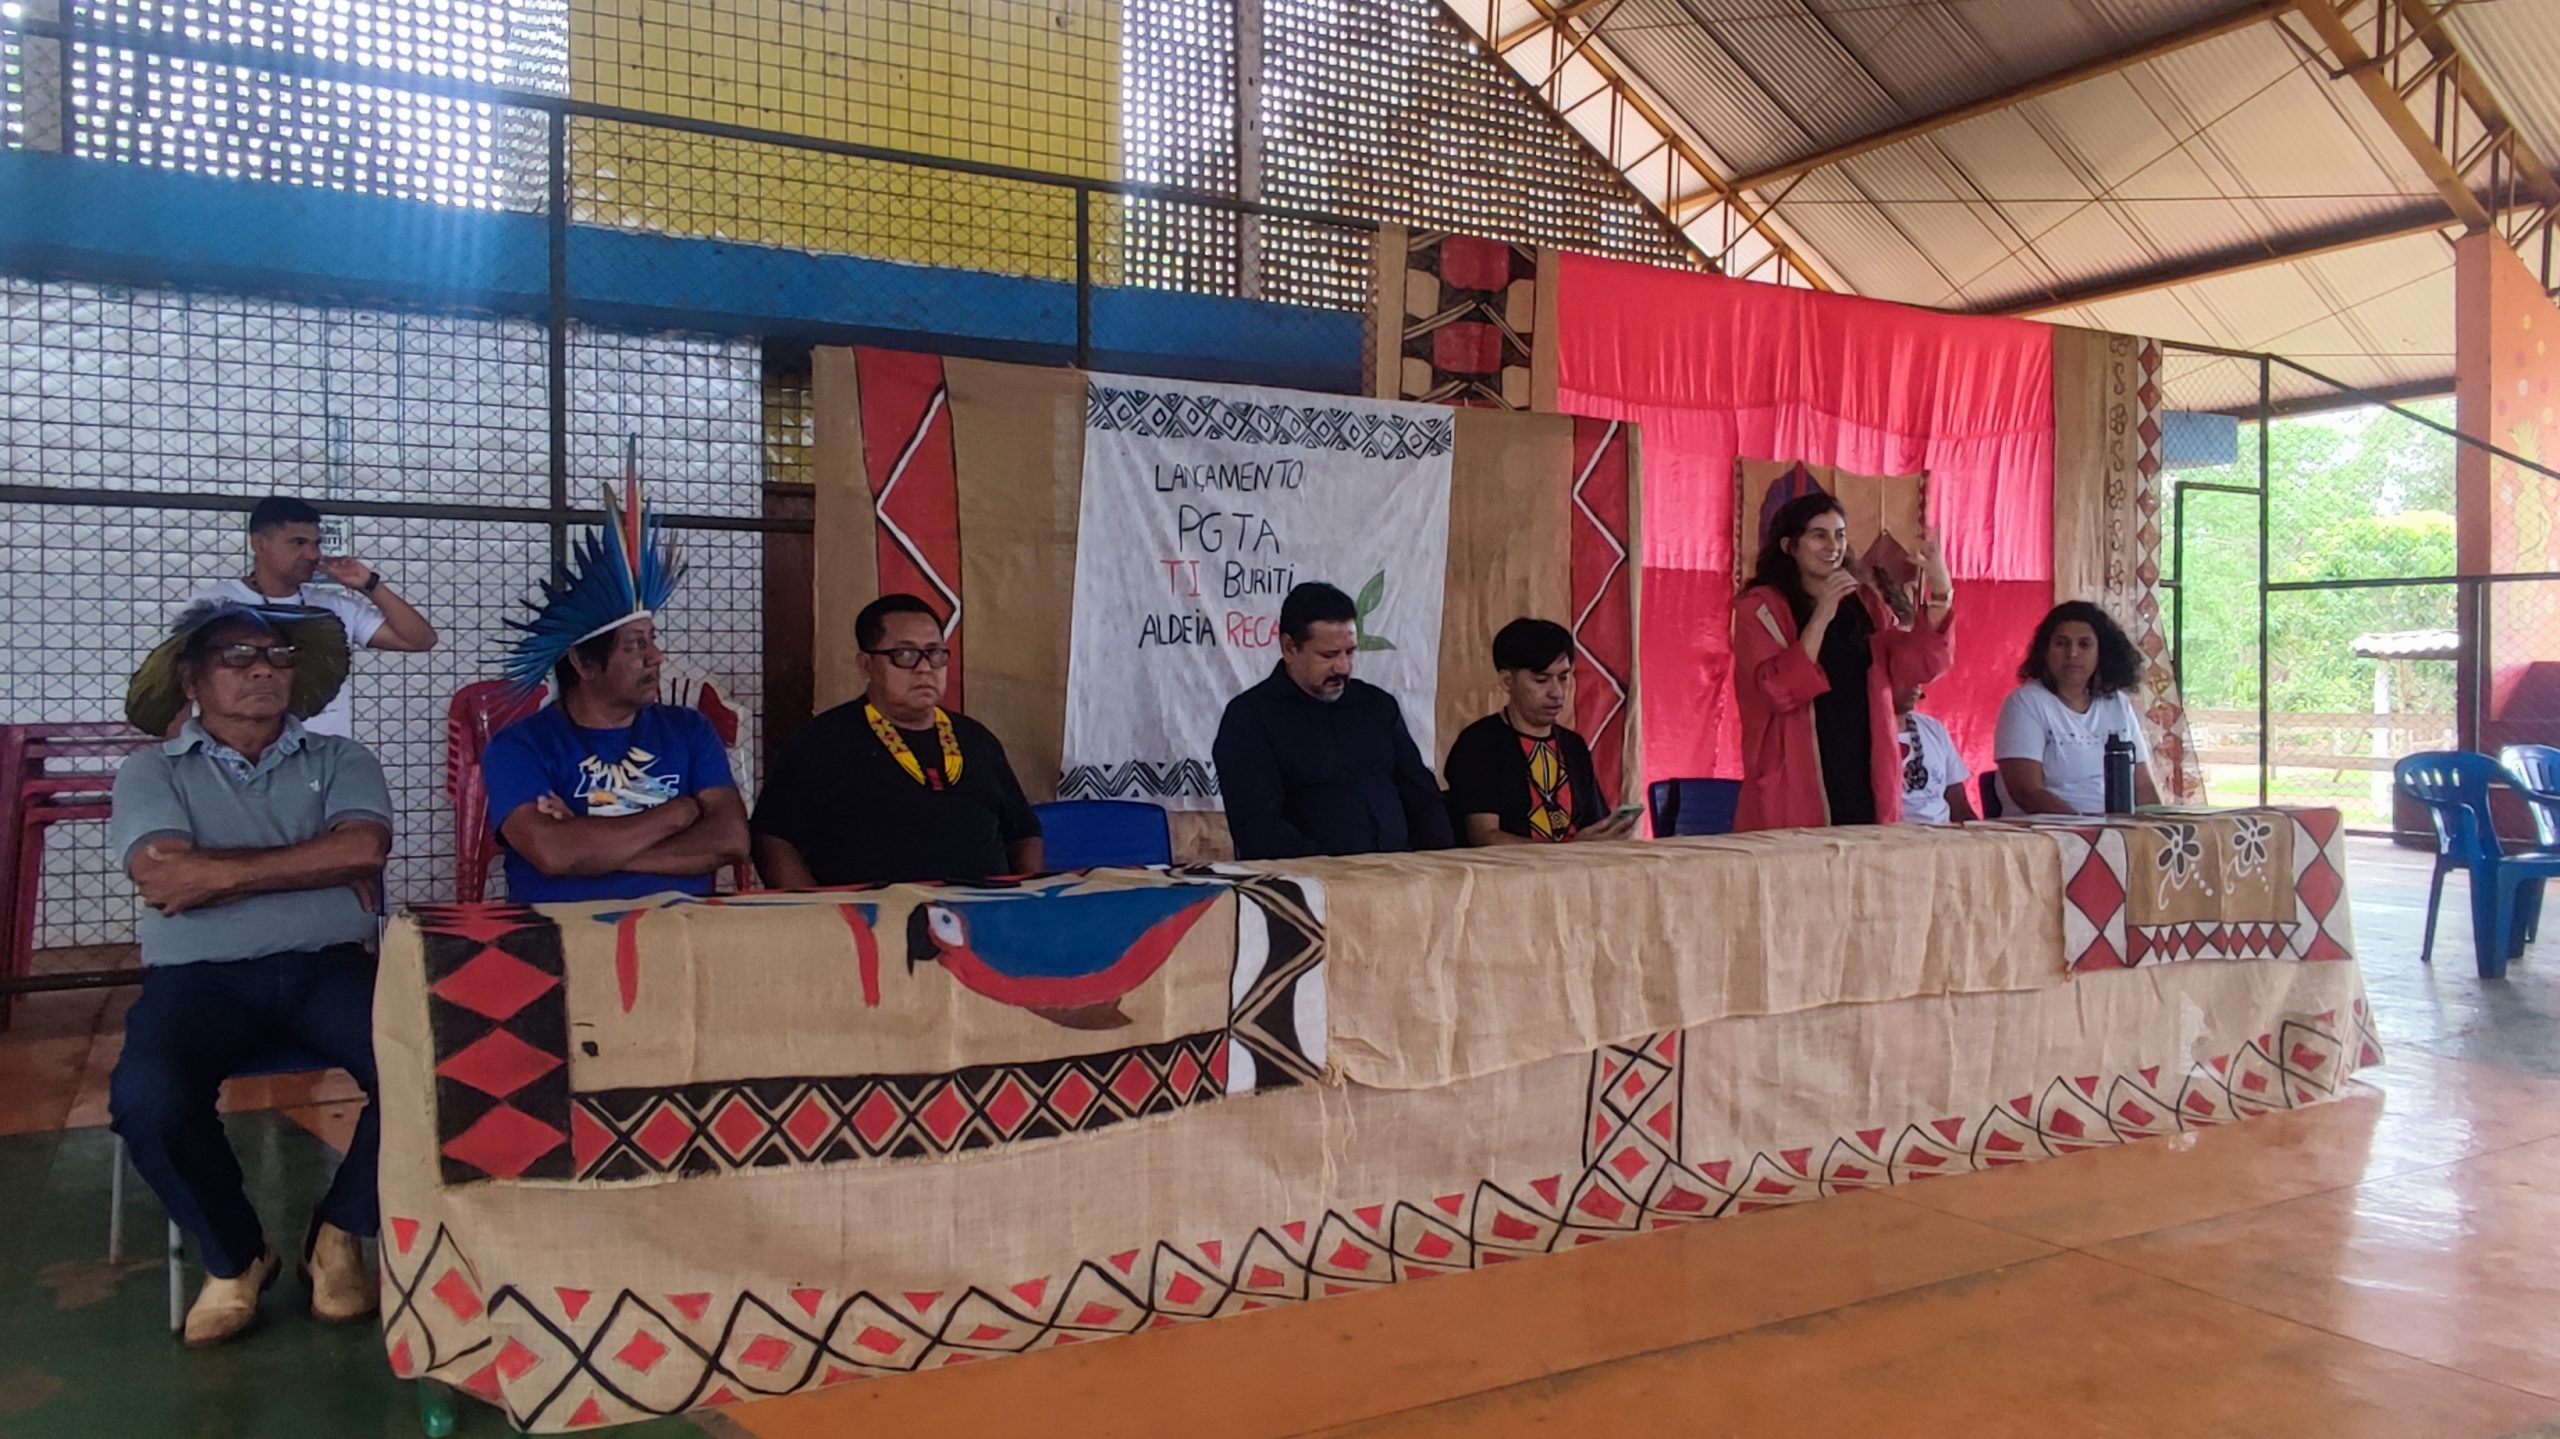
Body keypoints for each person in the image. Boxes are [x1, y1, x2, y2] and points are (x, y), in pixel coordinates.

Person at [107, 600, 391, 1347]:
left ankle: (340, 1232)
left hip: (330, 968)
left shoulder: (341, 759)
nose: (262, 669)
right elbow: (163, 877)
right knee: (148, 1097)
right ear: (191, 680)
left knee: (432, 1067)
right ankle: (236, 1256)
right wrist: (314, 865)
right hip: (199, 979)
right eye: (237, 656)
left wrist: (215, 873)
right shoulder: (149, 772)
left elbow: (363, 850)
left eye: (276, 656)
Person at [482, 472, 747, 902]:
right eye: (636, 645)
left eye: (653, 639)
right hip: (567, 929)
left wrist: (591, 847)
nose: (656, 656)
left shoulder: (690, 729)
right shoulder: (520, 746)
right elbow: (552, 852)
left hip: (681, 925)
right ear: (584, 663)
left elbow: (731, 839)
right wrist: (679, 812)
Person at [751, 594, 1042, 886]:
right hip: (877, 912)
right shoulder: (822, 742)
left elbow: (1024, 833)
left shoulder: (977, 739)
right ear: (866, 665)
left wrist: (1024, 895)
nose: (925, 668)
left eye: (935, 653)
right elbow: (773, 840)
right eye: (905, 655)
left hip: (986, 907)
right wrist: (820, 909)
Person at [1732, 491, 1954, 831]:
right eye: (1819, 535)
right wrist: (1822, 613)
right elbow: (1776, 689)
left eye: (1840, 535)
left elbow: (1915, 665)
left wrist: (1940, 591)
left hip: (1865, 765)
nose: (1833, 546)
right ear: (1789, 545)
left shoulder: (1865, 602)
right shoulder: (1761, 607)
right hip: (1796, 775)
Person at [1213, 581, 1453, 860]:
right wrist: (1335, 872)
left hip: (1399, 875)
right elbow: (1258, 828)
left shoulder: (1377, 707)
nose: (1343, 667)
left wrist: (1437, 865)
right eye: (1328, 655)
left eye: (1349, 652)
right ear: (1289, 648)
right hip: (1308, 880)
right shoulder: (1249, 719)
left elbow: (1422, 799)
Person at [189, 496, 438, 737]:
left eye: (316, 544)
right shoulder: (215, 604)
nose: (312, 554)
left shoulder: (334, 606)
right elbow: (181, 683)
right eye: (298, 543)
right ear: (260, 544)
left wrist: (369, 584)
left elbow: (419, 640)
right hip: (238, 754)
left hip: (323, 756)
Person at [1444, 617, 1636, 846]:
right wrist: (1566, 850)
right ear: (1507, 681)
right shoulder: (1479, 744)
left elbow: (1592, 824)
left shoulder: (1573, 745)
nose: (1557, 692)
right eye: (1541, 680)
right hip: (1511, 869)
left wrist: (1608, 834)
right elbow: (1485, 837)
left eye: (1563, 678)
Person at [1993, 600, 2161, 815]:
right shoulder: (2025, 703)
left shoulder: (2118, 703)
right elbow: (2027, 792)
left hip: (2114, 828)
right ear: (2045, 651)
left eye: (2084, 644)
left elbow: (2142, 785)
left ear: (2101, 653)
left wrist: (2159, 828)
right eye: (2061, 644)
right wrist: (2085, 829)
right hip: (2051, 829)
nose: (2072, 653)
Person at [1895, 684, 1976, 825]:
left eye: (1918, 681)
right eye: (1906, 679)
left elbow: (1958, 801)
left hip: (1942, 834)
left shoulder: (1934, 728)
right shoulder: (1859, 733)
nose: (1915, 686)